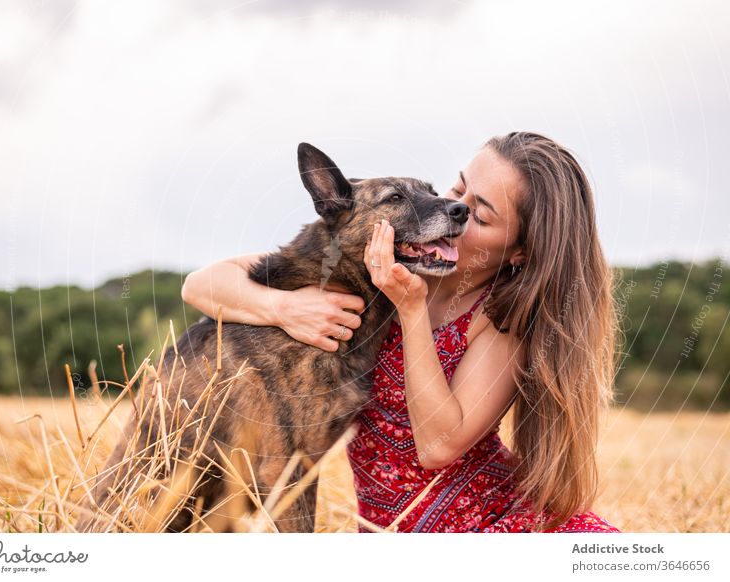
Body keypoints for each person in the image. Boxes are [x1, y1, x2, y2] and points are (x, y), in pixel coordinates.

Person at [181, 132, 621, 532]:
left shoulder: (501, 319)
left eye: (478, 216)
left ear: (520, 251)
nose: (455, 209)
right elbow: (200, 285)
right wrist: (283, 307)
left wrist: (410, 311)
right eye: (456, 188)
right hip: (387, 529)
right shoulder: (374, 268)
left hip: (485, 526)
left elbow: (437, 447)